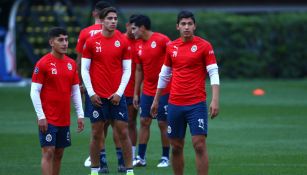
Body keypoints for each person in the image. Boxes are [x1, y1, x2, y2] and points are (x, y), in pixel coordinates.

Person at [150, 11, 220, 175]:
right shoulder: (171, 47)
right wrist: (156, 100)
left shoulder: (204, 46)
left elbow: (213, 72)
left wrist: (215, 99)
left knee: (199, 143)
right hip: (174, 104)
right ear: (177, 27)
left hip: (196, 104)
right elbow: (164, 74)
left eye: (189, 24)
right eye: (183, 24)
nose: (186, 27)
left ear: (194, 26)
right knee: (175, 146)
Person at [81, 7, 134, 175]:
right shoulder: (91, 41)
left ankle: (129, 171)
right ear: (102, 21)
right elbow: (84, 69)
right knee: (96, 133)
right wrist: (91, 93)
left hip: (117, 96)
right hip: (96, 96)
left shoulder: (123, 41)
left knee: (123, 132)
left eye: (115, 18)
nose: (113, 21)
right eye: (110, 18)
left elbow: (127, 70)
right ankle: (95, 171)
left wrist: (119, 92)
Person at [30, 27, 85, 175]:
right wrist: (41, 116)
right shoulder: (43, 63)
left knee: (59, 153)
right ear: (51, 42)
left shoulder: (71, 64)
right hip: (48, 118)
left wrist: (80, 114)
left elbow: (75, 91)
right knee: (48, 152)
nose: (65, 43)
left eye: (66, 40)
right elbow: (34, 91)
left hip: (64, 118)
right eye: (60, 40)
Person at [130, 14, 170, 168]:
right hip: (147, 90)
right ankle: (141, 157)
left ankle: (165, 157)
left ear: (142, 27)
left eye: (134, 28)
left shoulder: (162, 40)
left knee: (162, 123)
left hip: (165, 89)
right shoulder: (137, 45)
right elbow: (139, 70)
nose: (132, 31)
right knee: (144, 121)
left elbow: (174, 58)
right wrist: (136, 93)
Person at [123, 15, 139, 161]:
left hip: (135, 91)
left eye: (137, 28)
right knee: (106, 124)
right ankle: (96, 155)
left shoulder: (141, 42)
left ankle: (132, 155)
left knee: (131, 122)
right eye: (132, 27)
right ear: (127, 25)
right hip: (118, 90)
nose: (134, 31)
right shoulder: (120, 40)